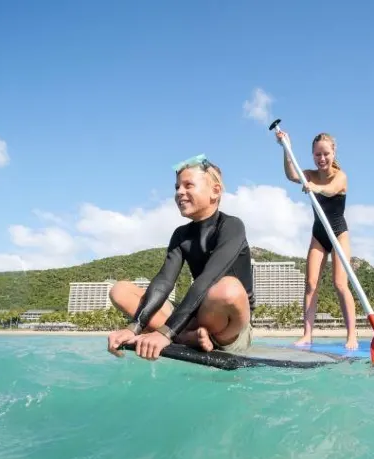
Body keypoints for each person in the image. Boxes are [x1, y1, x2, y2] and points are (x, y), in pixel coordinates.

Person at [106, 154, 255, 361]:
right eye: (177, 187)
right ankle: (187, 336)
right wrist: (135, 326)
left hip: (229, 326)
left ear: (215, 191)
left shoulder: (232, 226)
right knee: (120, 290)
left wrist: (164, 332)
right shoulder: (181, 234)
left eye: (188, 185)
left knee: (227, 288)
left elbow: (208, 278)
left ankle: (187, 335)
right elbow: (164, 281)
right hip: (193, 317)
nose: (179, 193)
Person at [276, 130, 358, 350]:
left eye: (325, 154)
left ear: (333, 152)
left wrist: (316, 188)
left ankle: (352, 336)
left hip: (339, 233)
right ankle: (307, 335)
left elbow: (331, 190)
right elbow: (291, 174)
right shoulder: (310, 174)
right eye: (317, 155)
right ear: (313, 155)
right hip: (319, 234)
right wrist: (286, 148)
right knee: (311, 284)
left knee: (340, 284)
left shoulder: (340, 176)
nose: (322, 159)